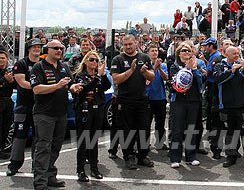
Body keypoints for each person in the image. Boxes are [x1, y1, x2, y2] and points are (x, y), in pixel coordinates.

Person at [30, 40, 83, 190]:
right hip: (44, 114)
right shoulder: (39, 67)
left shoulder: (64, 66)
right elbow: (36, 89)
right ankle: (40, 182)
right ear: (48, 50)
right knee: (43, 147)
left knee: (55, 146)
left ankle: (50, 176)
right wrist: (56, 86)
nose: (59, 50)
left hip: (61, 113)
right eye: (56, 48)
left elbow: (70, 84)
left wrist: (75, 87)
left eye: (61, 48)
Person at [110, 35, 156, 170]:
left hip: (141, 100)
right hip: (124, 100)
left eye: (130, 44)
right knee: (126, 130)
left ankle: (142, 156)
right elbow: (116, 80)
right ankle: (129, 156)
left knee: (144, 128)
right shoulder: (118, 59)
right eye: (125, 45)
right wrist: (130, 71)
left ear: (136, 43)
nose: (128, 47)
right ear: (122, 45)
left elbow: (152, 77)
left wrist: (144, 72)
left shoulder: (144, 58)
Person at [213, 46, 244, 169]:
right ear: (226, 54)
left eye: (238, 53)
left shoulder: (242, 65)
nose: (237, 56)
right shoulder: (219, 65)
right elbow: (217, 79)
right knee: (230, 133)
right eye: (234, 54)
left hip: (242, 106)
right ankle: (231, 156)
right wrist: (231, 71)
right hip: (227, 106)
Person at [6, 39, 43, 176]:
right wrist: (39, 87)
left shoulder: (43, 64)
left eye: (39, 47)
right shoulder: (21, 63)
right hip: (23, 105)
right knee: (19, 135)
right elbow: (21, 82)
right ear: (29, 49)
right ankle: (14, 164)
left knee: (38, 137)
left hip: (40, 106)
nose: (36, 49)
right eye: (34, 47)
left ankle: (36, 165)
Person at [73, 51, 111, 182]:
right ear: (85, 61)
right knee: (83, 141)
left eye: (96, 60)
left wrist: (103, 75)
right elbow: (84, 89)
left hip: (97, 110)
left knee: (94, 141)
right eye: (91, 60)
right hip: (85, 110)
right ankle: (80, 170)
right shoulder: (80, 75)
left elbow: (107, 86)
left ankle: (94, 168)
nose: (94, 62)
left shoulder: (99, 75)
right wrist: (97, 78)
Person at [169, 42, 203, 167]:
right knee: (177, 130)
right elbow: (175, 85)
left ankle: (191, 156)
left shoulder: (196, 66)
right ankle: (175, 158)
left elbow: (200, 82)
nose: (187, 53)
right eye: (184, 51)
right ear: (178, 53)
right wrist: (186, 69)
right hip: (179, 101)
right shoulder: (174, 66)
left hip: (193, 101)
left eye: (189, 51)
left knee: (191, 129)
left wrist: (194, 70)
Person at [145, 43, 169, 150]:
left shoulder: (162, 65)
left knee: (160, 123)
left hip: (160, 97)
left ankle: (160, 142)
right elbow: (147, 80)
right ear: (148, 53)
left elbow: (166, 78)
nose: (155, 53)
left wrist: (160, 68)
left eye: (156, 50)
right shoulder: (145, 65)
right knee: (146, 123)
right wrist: (154, 67)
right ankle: (145, 143)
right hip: (148, 97)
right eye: (152, 51)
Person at [0, 50, 15, 159]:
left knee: (6, 127)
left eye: (3, 58)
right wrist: (4, 80)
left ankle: (2, 148)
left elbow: (15, 86)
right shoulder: (4, 75)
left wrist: (10, 81)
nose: (1, 60)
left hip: (8, 101)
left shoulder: (9, 72)